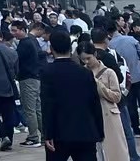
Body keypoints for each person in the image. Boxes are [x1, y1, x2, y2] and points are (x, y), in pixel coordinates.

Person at [42, 28, 102, 161]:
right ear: (70, 48)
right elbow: (95, 102)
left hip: (59, 133)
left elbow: (48, 105)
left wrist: (48, 133)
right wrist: (99, 130)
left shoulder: (47, 72)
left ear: (51, 49)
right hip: (85, 130)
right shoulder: (85, 72)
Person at [80, 37, 129, 161]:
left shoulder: (109, 73)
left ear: (95, 54)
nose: (86, 62)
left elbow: (117, 97)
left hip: (108, 114)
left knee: (115, 149)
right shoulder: (82, 73)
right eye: (83, 59)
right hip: (90, 115)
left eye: (88, 58)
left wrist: (98, 85)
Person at [14, 20, 46, 146]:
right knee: (37, 109)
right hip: (34, 78)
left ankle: (33, 137)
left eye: (15, 30)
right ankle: (44, 135)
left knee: (30, 109)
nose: (13, 33)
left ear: (23, 30)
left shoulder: (25, 43)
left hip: (28, 78)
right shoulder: (30, 42)